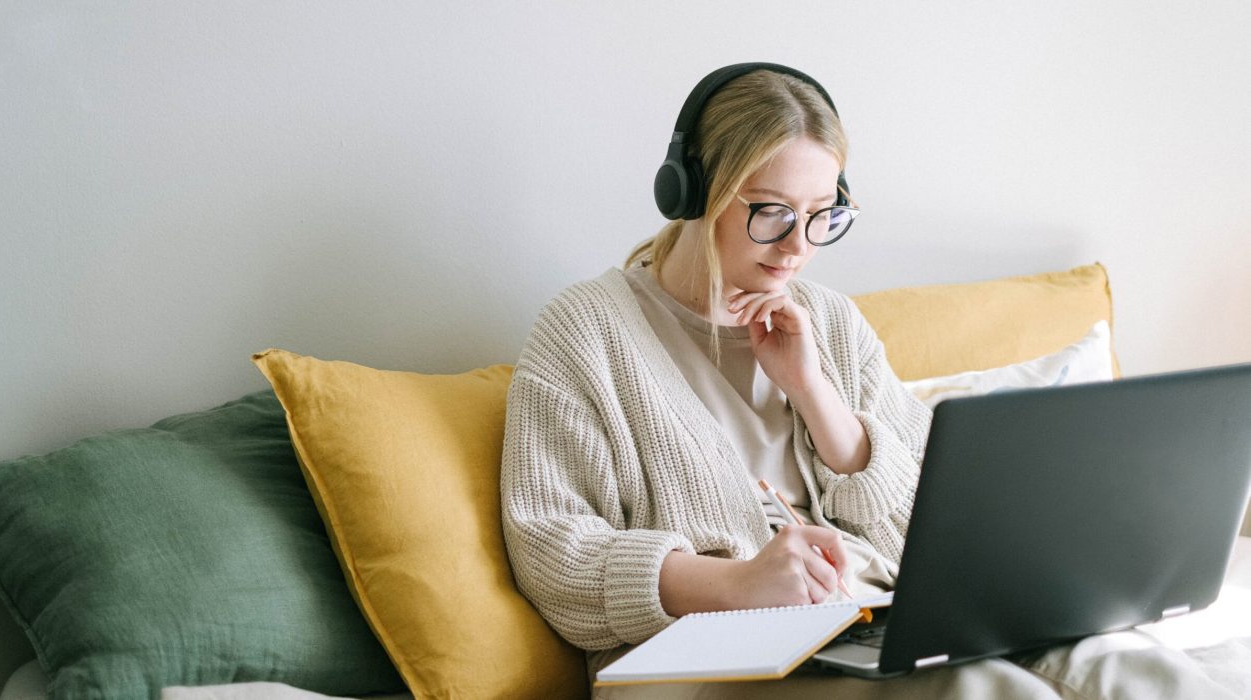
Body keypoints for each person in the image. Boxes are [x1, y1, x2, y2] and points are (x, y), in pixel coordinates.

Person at [499, 63, 1245, 699]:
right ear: (694, 194)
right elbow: (555, 556)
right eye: (771, 214)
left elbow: (931, 523)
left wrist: (818, 395)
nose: (799, 246)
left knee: (1124, 661)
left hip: (869, 622)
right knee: (985, 690)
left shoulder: (827, 320)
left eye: (824, 216)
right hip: (708, 664)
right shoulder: (586, 332)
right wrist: (733, 584)